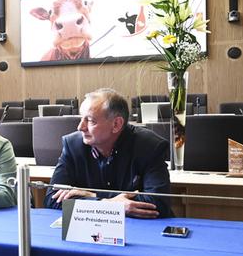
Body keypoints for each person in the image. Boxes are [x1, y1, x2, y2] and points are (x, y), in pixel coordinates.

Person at [44, 88, 172, 218]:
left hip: (141, 230)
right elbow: (52, 199)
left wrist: (91, 195)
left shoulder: (149, 146)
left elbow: (158, 203)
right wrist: (107, 203)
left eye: (90, 120)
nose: (80, 127)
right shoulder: (73, 146)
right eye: (81, 118)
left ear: (116, 124)